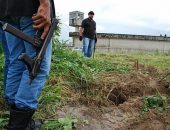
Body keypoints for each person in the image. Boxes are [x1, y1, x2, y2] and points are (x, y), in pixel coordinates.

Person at [0, 0, 53, 129]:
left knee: (16, 62)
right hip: (31, 8)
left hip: (7, 11)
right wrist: (45, 3)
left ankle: (15, 115)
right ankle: (19, 125)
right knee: (37, 67)